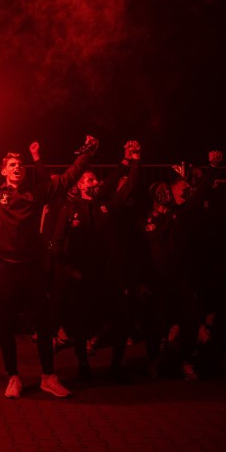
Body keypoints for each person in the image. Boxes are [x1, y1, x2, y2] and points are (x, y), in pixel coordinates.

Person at [0, 130, 97, 399]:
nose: (18, 167)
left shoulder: (36, 194)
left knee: (44, 325)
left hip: (32, 269)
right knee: (6, 325)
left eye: (20, 165)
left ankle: (48, 376)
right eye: (12, 165)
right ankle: (12, 376)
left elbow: (69, 178)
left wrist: (86, 155)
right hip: (6, 269)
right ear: (3, 171)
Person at [49, 141, 140, 380]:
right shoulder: (69, 209)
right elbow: (54, 243)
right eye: (88, 179)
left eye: (95, 179)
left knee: (122, 319)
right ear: (79, 185)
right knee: (80, 325)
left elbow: (126, 184)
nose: (94, 182)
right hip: (82, 276)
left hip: (108, 275)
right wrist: (68, 268)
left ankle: (116, 366)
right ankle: (83, 365)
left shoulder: (105, 206)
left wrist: (133, 161)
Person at [141, 151, 223, 381]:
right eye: (182, 188)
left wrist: (212, 168)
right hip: (160, 281)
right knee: (157, 323)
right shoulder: (153, 219)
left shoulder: (185, 214)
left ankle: (185, 361)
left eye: (189, 187)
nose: (188, 191)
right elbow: (149, 250)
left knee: (189, 321)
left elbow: (202, 193)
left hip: (184, 280)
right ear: (169, 192)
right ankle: (153, 361)